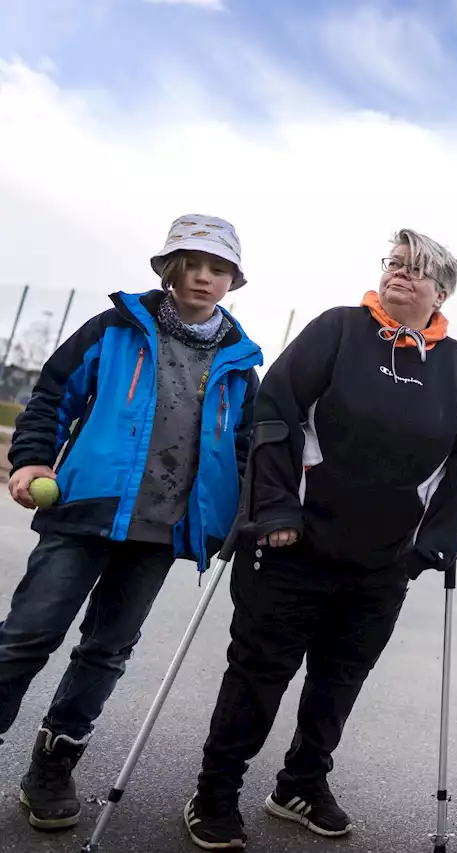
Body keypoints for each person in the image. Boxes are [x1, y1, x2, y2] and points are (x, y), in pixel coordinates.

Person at [183, 228, 457, 850]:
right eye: (393, 263)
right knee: (259, 672)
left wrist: (434, 543)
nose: (399, 274)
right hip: (294, 547)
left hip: (382, 563)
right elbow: (274, 412)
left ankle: (301, 783)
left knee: (341, 677)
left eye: (415, 269)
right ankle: (215, 791)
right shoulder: (339, 329)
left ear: (441, 291)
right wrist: (272, 510)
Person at [0, 214, 262, 831]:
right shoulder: (114, 328)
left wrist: (247, 513)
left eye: (218, 268)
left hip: (162, 531)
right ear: (170, 268)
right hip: (83, 512)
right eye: (192, 263)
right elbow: (52, 396)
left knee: (107, 650)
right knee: (29, 634)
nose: (204, 276)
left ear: (232, 280)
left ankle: (52, 766)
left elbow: (248, 449)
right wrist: (32, 458)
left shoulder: (240, 364)